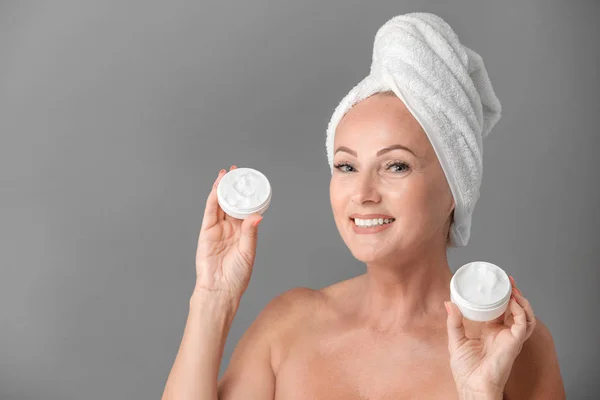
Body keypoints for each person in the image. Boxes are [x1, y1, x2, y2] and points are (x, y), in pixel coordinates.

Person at [162, 13, 565, 400]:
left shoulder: (510, 344)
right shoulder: (288, 325)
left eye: (396, 165)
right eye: (346, 166)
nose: (363, 192)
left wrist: (479, 394)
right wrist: (214, 298)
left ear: (455, 187)